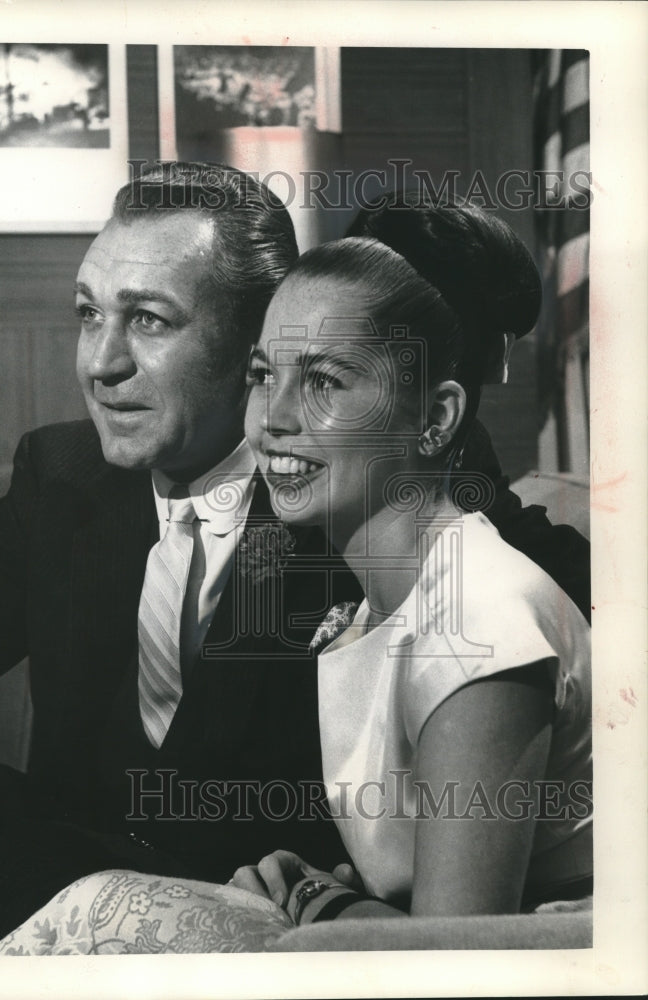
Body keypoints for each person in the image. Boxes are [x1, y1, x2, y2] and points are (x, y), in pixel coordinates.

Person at [0, 165, 590, 954]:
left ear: (262, 323)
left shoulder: (381, 482)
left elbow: (522, 595)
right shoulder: (58, 475)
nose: (100, 363)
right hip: (52, 886)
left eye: (150, 320)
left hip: (265, 922)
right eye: (88, 315)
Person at [229, 203, 592, 926]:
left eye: (326, 381)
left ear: (435, 419)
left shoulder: (480, 622)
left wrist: (315, 900)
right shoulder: (376, 604)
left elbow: (456, 957)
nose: (274, 416)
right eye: (264, 374)